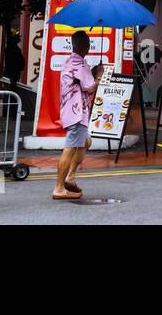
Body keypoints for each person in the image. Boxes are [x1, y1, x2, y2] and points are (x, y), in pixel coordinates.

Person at [53, 30, 101, 200]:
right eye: (87, 42)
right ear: (81, 45)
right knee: (70, 148)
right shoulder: (79, 64)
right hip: (77, 113)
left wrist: (92, 72)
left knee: (85, 142)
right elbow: (89, 86)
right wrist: (100, 76)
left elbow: (83, 82)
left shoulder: (71, 61)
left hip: (71, 110)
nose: (89, 45)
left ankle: (70, 177)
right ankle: (59, 187)